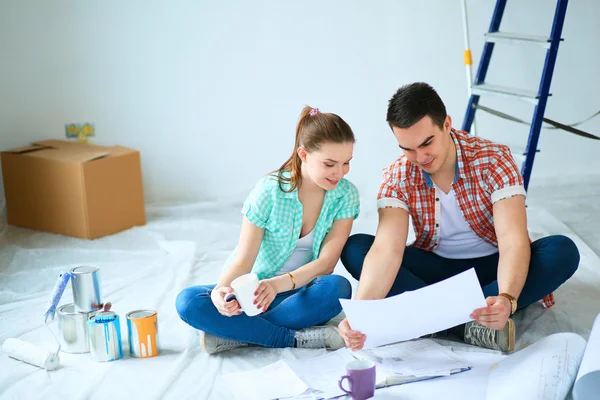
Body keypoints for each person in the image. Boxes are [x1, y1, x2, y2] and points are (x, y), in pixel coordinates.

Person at [338, 82, 580, 353]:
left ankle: (437, 316)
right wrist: (363, 314)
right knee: (357, 247)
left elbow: (512, 239)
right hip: (436, 270)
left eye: (427, 143)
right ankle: (466, 323)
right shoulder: (398, 175)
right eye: (408, 148)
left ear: (447, 125)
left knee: (562, 251)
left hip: (492, 267)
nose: (420, 157)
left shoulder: (493, 160)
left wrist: (506, 297)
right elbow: (386, 249)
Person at [176, 106, 360, 354]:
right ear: (303, 154)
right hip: (254, 294)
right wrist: (222, 291)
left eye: (346, 163)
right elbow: (243, 259)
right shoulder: (269, 191)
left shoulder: (346, 195)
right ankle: (291, 338)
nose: (340, 172)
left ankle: (240, 334)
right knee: (188, 302)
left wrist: (277, 285)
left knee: (338, 288)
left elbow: (327, 263)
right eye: (329, 164)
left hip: (300, 294)